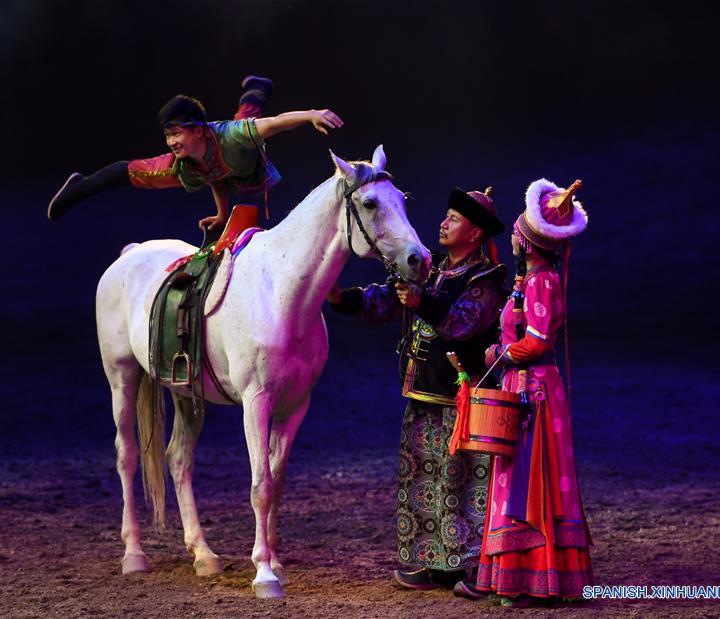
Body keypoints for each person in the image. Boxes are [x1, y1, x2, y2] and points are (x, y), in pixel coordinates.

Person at [328, 187, 507, 590]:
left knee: (462, 483)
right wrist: (344, 299)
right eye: (446, 215)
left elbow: (462, 324)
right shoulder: (433, 268)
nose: (443, 223)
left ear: (475, 233)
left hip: (463, 401)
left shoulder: (486, 281)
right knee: (423, 482)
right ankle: (432, 563)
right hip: (424, 394)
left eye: (454, 219)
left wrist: (421, 302)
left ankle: (471, 567)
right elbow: (389, 301)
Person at [453, 178, 592, 607]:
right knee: (513, 477)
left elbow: (536, 342)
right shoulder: (530, 279)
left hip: (535, 392)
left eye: (517, 230)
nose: (512, 235)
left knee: (527, 480)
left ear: (529, 242)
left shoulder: (541, 282)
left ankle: (530, 577)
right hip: (524, 385)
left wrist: (500, 354)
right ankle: (507, 573)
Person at [47, 75, 343, 230]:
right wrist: (222, 214)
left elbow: (275, 123)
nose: (171, 141)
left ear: (198, 130)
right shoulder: (184, 160)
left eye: (176, 133)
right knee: (136, 172)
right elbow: (213, 174)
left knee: (248, 115)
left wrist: (311, 114)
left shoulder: (232, 135)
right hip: (223, 165)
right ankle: (80, 186)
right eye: (167, 135)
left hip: (241, 154)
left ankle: (258, 86)